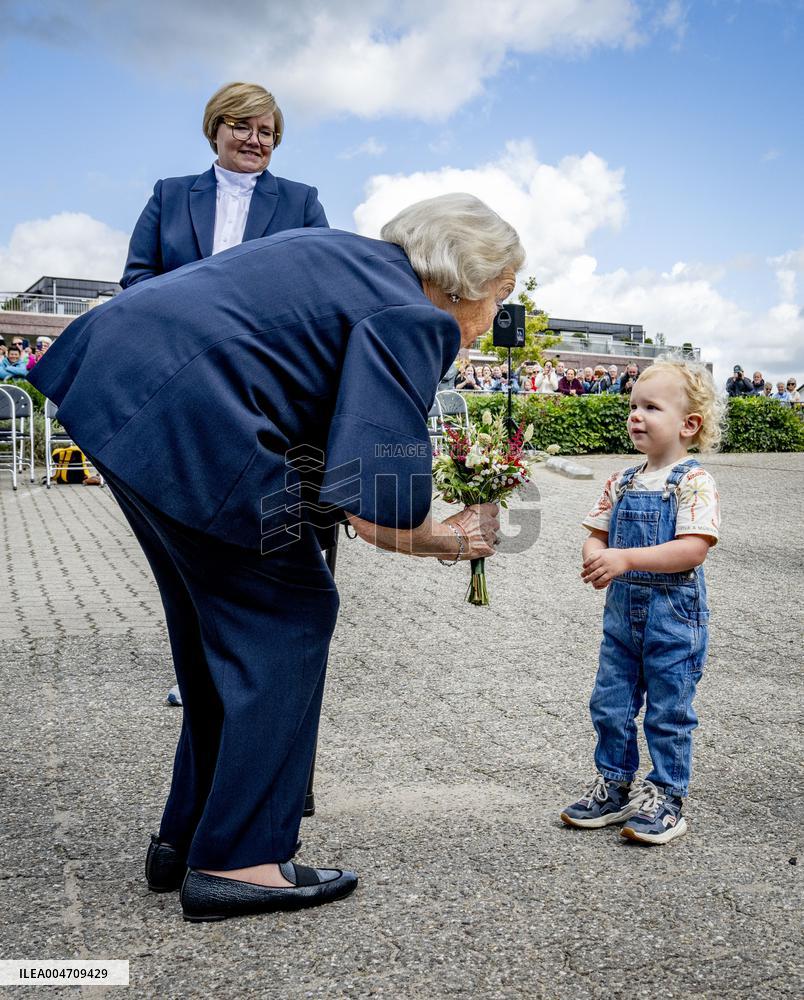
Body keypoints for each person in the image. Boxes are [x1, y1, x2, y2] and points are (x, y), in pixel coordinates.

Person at [30, 192, 523, 922]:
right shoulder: (415, 313)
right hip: (193, 410)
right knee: (288, 614)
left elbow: (312, 422)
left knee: (216, 628)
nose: (493, 318)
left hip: (119, 381)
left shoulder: (346, 258)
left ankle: (188, 836)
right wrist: (448, 539)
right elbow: (376, 502)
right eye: (501, 295)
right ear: (466, 280)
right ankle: (240, 860)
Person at [560, 360, 723, 844]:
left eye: (651, 407)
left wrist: (625, 558)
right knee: (610, 702)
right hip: (622, 618)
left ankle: (667, 796)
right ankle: (614, 784)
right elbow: (596, 533)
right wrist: (596, 556)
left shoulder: (693, 482)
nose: (635, 414)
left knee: (669, 710)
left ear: (688, 424)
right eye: (633, 405)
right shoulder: (622, 481)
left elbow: (693, 549)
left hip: (674, 617)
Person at [120, 82, 328, 288]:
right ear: (213, 131)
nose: (254, 141)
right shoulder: (169, 195)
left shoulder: (301, 202)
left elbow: (324, 277)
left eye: (265, 133)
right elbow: (137, 275)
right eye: (242, 127)